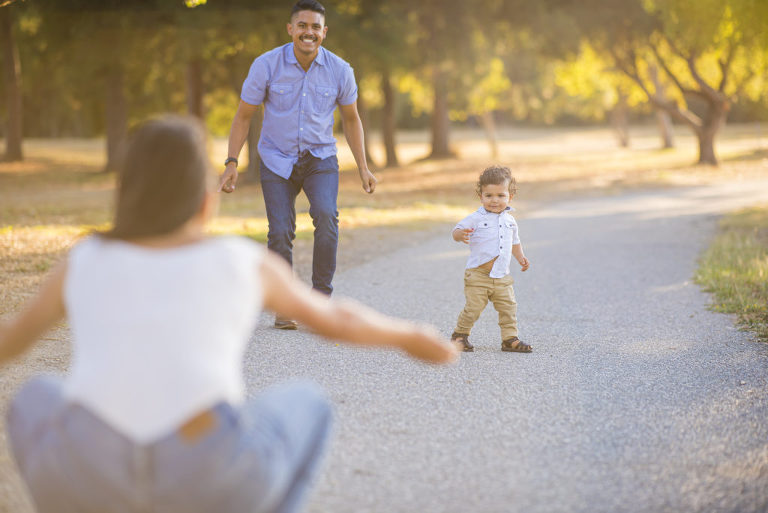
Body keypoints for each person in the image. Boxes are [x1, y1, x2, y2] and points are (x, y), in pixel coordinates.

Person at [0, 116, 457, 513]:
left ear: (125, 194)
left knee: (35, 394)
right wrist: (410, 335)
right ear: (206, 199)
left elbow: (12, 342)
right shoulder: (240, 260)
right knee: (310, 403)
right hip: (206, 467)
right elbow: (339, 321)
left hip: (90, 469)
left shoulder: (85, 260)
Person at [218, 0, 376, 330]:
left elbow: (351, 119)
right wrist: (232, 161)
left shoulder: (340, 70)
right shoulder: (266, 65)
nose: (309, 32)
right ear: (291, 29)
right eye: (302, 26)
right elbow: (243, 115)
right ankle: (285, 304)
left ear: (324, 33)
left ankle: (319, 303)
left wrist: (363, 167)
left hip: (320, 159)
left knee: (326, 218)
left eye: (315, 27)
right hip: (276, 159)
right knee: (279, 233)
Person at [449, 165, 533, 353]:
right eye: (489, 196)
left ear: (509, 197)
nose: (494, 200)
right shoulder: (476, 218)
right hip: (478, 275)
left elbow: (515, 242)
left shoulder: (511, 221)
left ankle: (509, 339)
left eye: (500, 195)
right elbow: (455, 231)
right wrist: (460, 234)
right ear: (481, 196)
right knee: (474, 308)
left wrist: (521, 258)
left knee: (509, 308)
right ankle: (460, 335)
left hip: (502, 276)